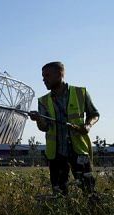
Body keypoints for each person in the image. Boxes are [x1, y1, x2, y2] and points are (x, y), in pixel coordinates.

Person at [29, 62, 99, 195]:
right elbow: (44, 128)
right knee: (59, 193)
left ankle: (95, 214)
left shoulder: (80, 93)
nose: (44, 79)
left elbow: (94, 114)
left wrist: (87, 126)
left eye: (47, 75)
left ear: (60, 74)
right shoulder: (43, 101)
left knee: (89, 190)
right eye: (43, 76)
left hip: (79, 151)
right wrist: (38, 119)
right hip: (56, 155)